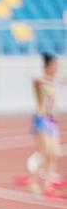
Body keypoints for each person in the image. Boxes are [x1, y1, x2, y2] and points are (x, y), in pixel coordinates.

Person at [28, 53, 61, 197]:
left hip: (52, 122)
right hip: (41, 120)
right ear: (48, 67)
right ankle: (33, 182)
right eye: (54, 65)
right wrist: (46, 79)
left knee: (54, 154)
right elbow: (35, 80)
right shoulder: (40, 82)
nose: (56, 68)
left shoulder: (54, 81)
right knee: (45, 153)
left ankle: (48, 184)